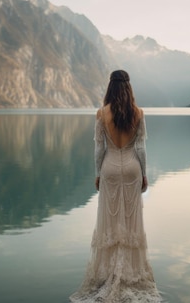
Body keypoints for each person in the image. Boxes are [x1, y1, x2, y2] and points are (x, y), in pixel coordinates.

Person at [70, 70, 161, 303]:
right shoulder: (138, 113)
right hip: (132, 169)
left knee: (109, 223)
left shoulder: (101, 114)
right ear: (129, 87)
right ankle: (130, 275)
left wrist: (97, 173)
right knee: (130, 223)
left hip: (110, 169)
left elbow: (99, 149)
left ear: (110, 87)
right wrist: (144, 175)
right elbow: (140, 148)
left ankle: (108, 274)